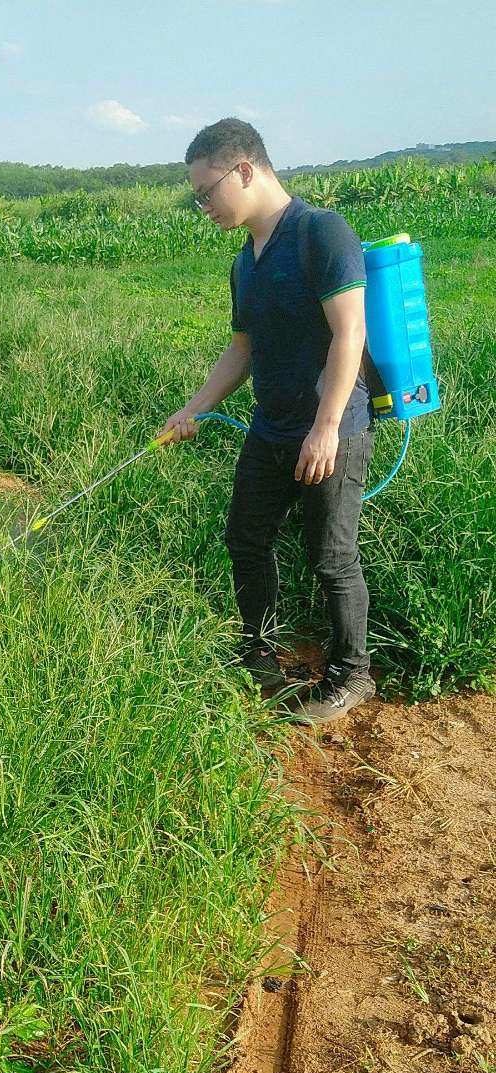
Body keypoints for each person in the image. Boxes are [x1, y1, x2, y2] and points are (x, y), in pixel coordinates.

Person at [159, 118, 377, 723]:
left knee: (331, 557)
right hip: (270, 426)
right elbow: (243, 347)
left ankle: (353, 675)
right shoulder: (244, 263)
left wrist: (326, 427)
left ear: (246, 170)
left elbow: (348, 334)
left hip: (333, 429)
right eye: (197, 196)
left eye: (207, 191)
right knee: (245, 538)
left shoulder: (321, 233)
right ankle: (259, 651)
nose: (203, 205)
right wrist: (194, 407)